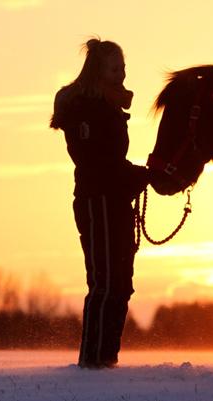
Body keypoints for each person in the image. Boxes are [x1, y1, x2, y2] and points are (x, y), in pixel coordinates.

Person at [50, 38, 148, 369]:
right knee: (105, 283)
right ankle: (93, 361)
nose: (122, 73)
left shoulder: (108, 107)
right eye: (115, 68)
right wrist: (140, 177)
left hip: (116, 200)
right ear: (99, 71)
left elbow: (112, 162)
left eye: (123, 67)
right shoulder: (85, 112)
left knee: (121, 283)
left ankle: (107, 359)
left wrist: (139, 177)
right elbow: (98, 164)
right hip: (98, 201)